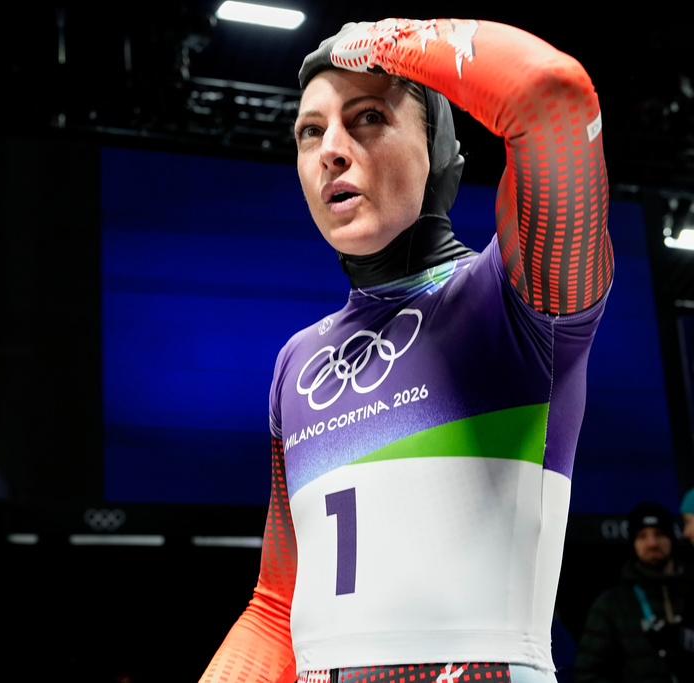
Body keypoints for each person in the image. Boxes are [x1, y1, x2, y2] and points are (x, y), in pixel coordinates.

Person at [200, 17, 612, 683]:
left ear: (442, 151)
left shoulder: (514, 299)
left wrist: (385, 40)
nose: (331, 148)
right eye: (310, 131)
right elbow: (276, 606)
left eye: (366, 117)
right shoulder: (297, 362)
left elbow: (552, 95)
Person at [574, 502, 694, 682]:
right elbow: (588, 673)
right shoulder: (611, 604)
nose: (652, 543)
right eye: (642, 536)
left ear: (672, 537)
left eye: (659, 534)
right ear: (633, 543)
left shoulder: (691, 590)